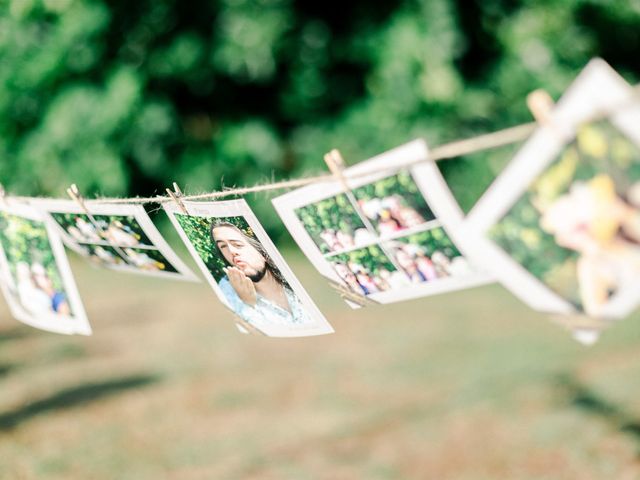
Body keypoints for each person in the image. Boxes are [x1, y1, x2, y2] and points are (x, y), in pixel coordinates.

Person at [210, 221, 312, 330]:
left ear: (263, 252)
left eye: (238, 245)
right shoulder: (226, 289)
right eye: (223, 246)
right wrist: (248, 304)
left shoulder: (299, 277)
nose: (232, 251)